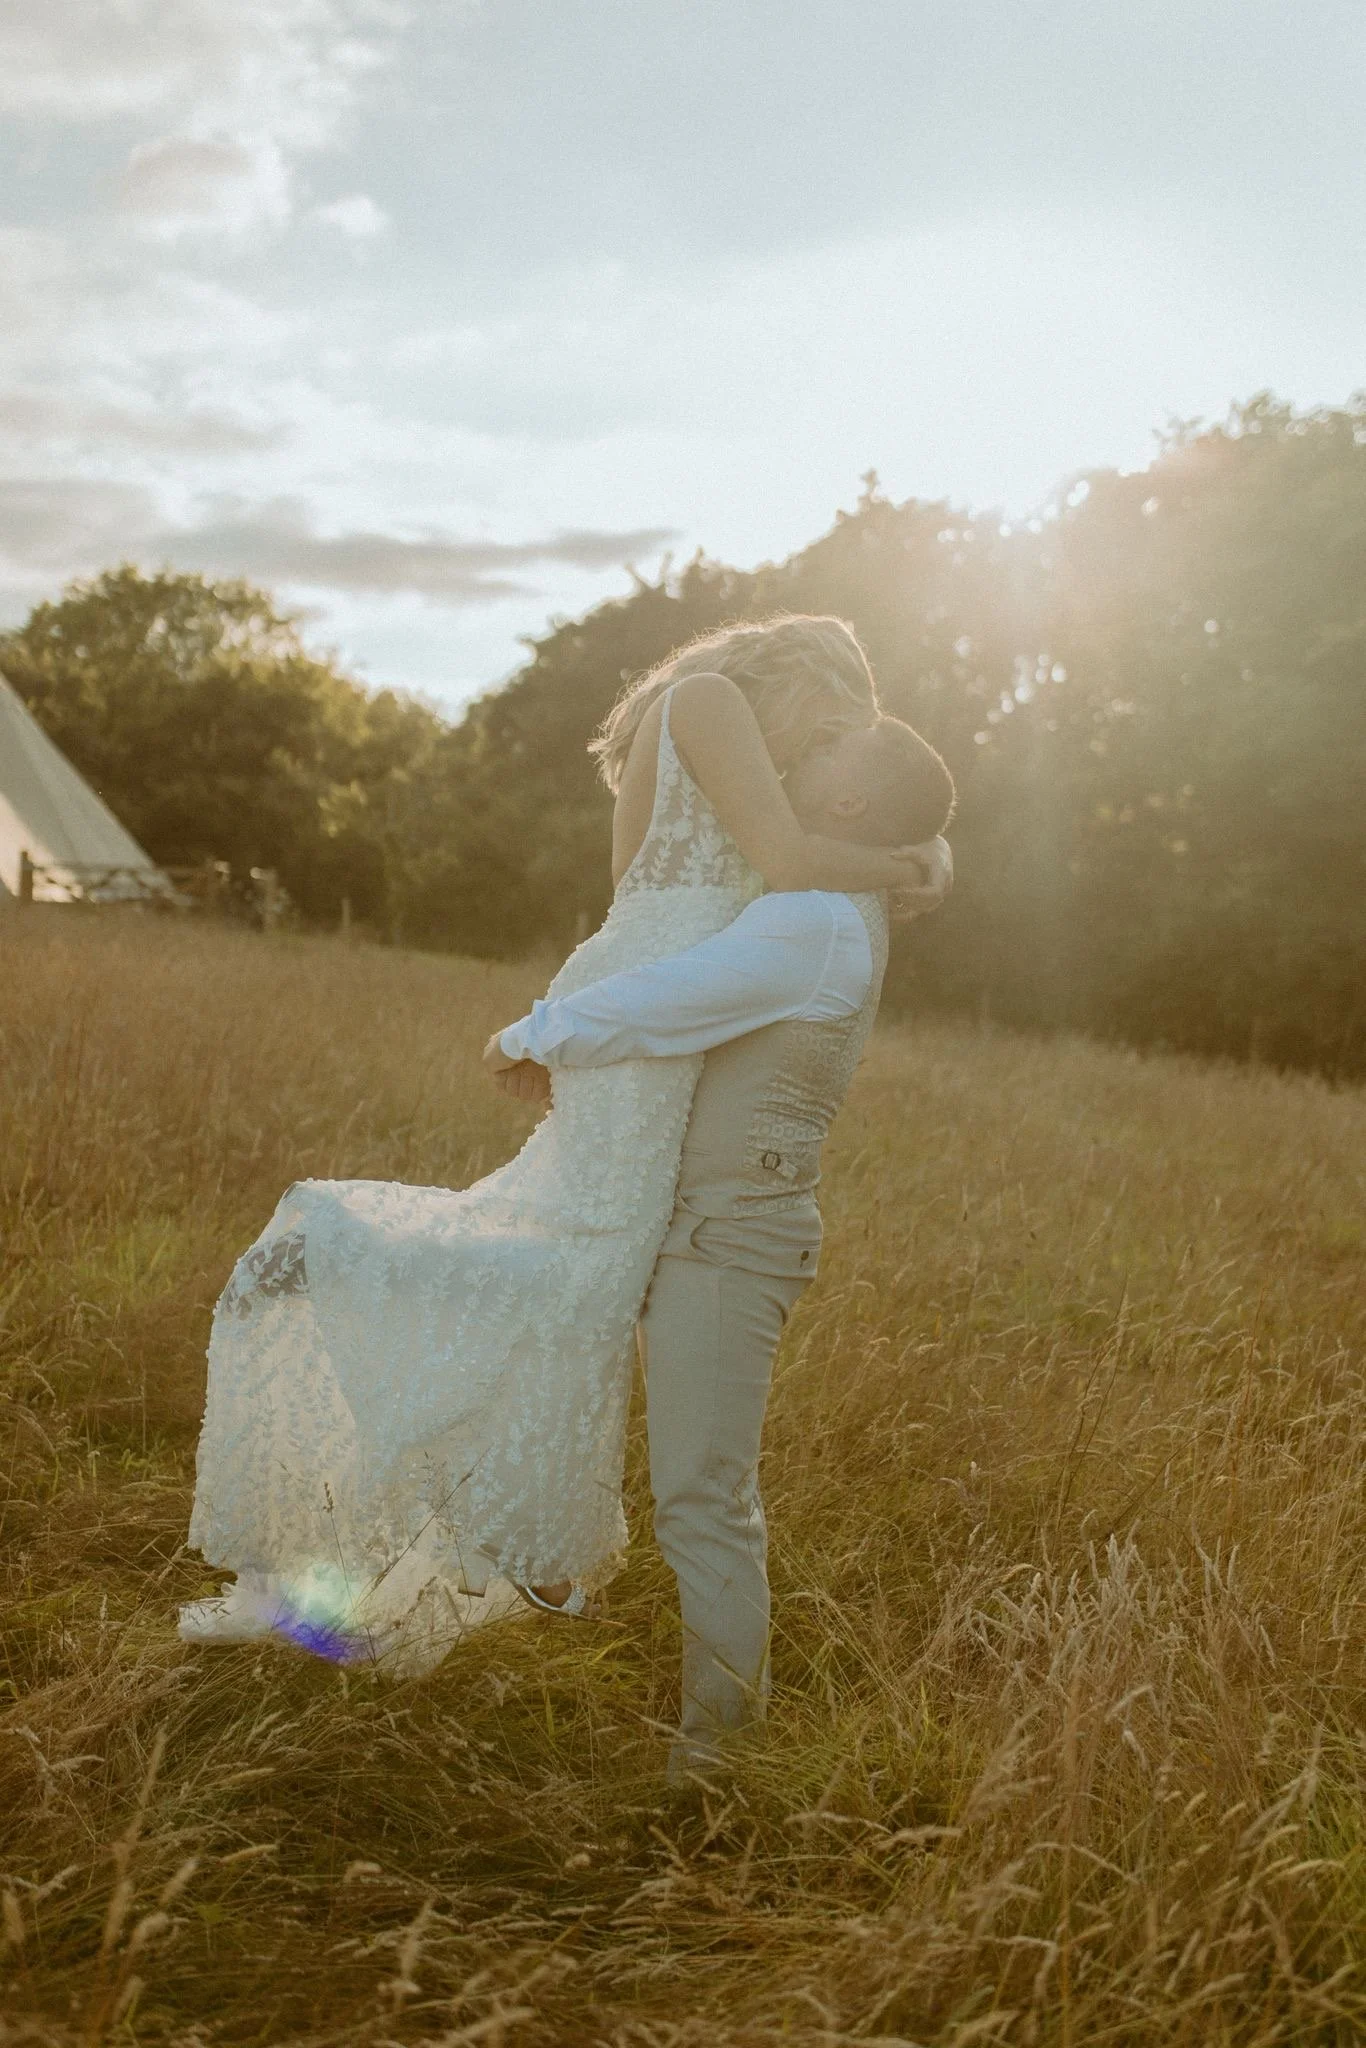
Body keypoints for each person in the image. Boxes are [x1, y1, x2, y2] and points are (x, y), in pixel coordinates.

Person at [180, 616, 946, 1674]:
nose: (822, 753)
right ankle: (340, 1256)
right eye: (830, 723)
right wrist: (919, 854)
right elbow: (777, 860)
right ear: (802, 675)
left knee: (585, 1264)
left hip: (660, 1012)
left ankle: (504, 1537)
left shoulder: (742, 763)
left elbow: (769, 862)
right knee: (580, 1259)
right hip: (646, 1011)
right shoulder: (714, 704)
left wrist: (921, 847)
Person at [486, 717, 954, 1774]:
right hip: (696, 1223)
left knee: (703, 1495)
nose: (797, 751)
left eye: (824, 750)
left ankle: (721, 1760)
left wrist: (529, 1033)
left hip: (731, 1238)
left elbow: (672, 1000)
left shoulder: (814, 920)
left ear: (842, 806)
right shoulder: (841, 895)